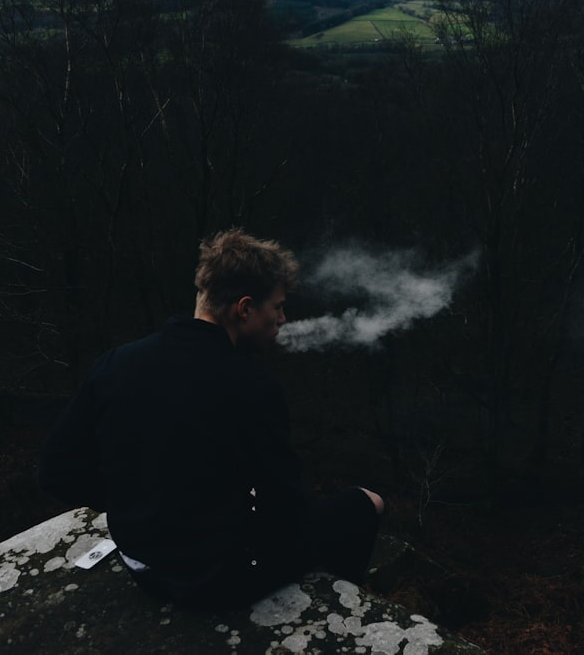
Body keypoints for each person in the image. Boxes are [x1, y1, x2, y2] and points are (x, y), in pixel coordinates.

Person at [38, 228, 384, 608]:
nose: (283, 319)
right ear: (246, 308)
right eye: (278, 307)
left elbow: (55, 471)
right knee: (366, 502)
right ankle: (332, 612)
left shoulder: (117, 361)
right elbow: (289, 512)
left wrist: (132, 503)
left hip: (140, 562)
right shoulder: (253, 385)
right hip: (213, 580)